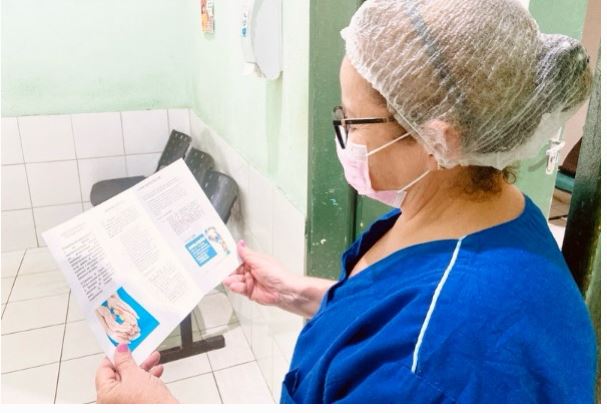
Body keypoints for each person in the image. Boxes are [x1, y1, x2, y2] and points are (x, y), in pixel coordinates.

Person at [95, 0, 596, 403]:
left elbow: (417, 343)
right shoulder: (494, 211)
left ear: (437, 139)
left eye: (352, 121)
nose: (345, 137)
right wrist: (301, 293)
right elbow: (390, 315)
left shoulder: (436, 368)